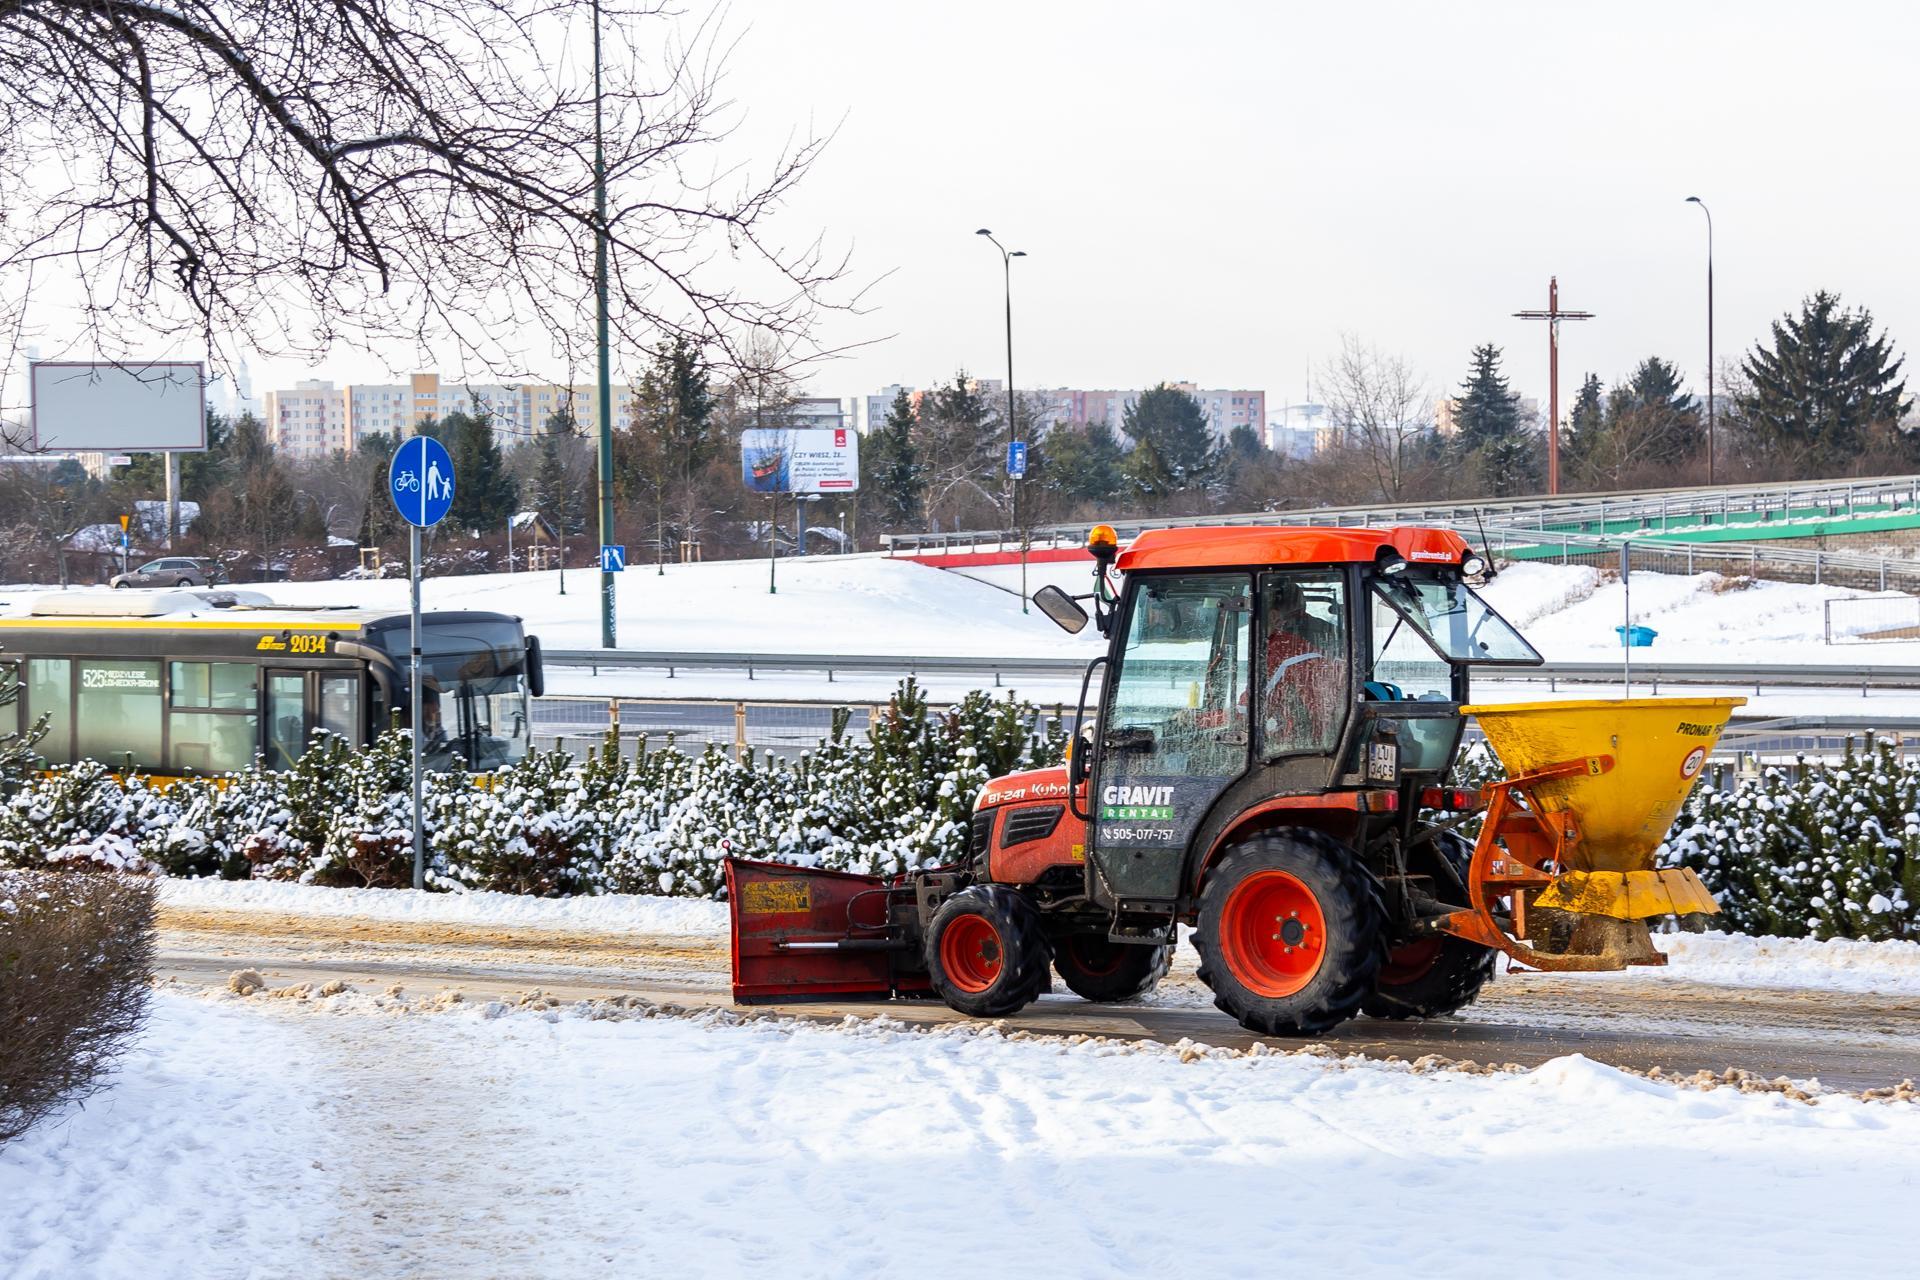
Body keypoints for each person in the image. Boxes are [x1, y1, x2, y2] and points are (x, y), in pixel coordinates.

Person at [1263, 578, 1345, 752]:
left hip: (1297, 743)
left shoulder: (1284, 648)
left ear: (1274, 616)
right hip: (1333, 736)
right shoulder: (1333, 634)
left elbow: (1252, 704)